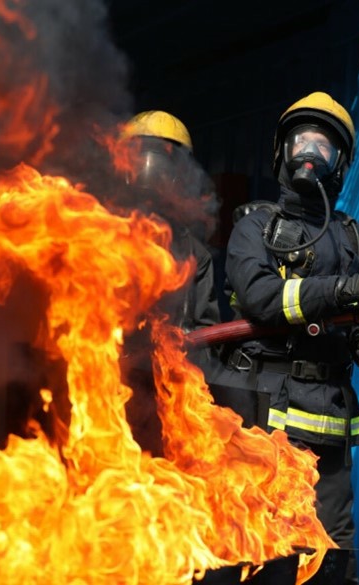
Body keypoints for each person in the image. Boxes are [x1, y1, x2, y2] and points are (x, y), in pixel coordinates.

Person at [216, 92, 359, 584]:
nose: (310, 156)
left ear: (341, 165)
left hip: (332, 428)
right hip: (265, 424)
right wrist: (340, 289)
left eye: (323, 147)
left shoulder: (358, 239)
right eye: (301, 142)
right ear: (282, 153)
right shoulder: (255, 227)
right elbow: (260, 297)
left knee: (334, 559)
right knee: (260, 553)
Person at [113, 110, 221, 455]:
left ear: (180, 176)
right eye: (143, 157)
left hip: (167, 399)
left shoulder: (193, 252)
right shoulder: (97, 234)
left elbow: (207, 329)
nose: (151, 172)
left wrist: (182, 362)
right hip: (106, 392)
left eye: (162, 163)